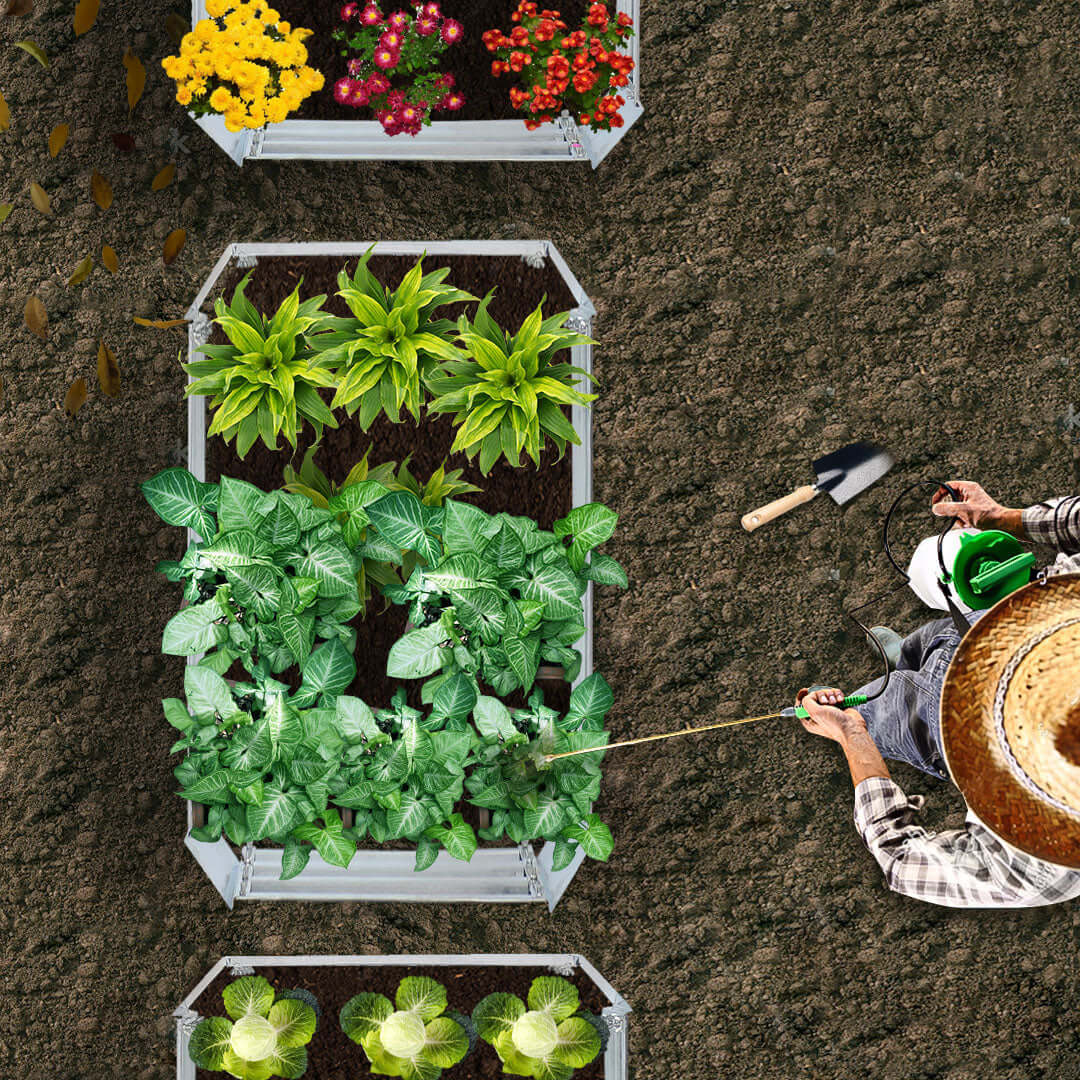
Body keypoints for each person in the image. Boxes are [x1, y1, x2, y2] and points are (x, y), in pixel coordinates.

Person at [797, 482, 1080, 907]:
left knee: (883, 709)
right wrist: (1001, 518)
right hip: (998, 642)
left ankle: (883, 690)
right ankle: (903, 662)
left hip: (947, 719)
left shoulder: (1053, 856)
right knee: (936, 639)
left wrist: (854, 736)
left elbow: (902, 859)